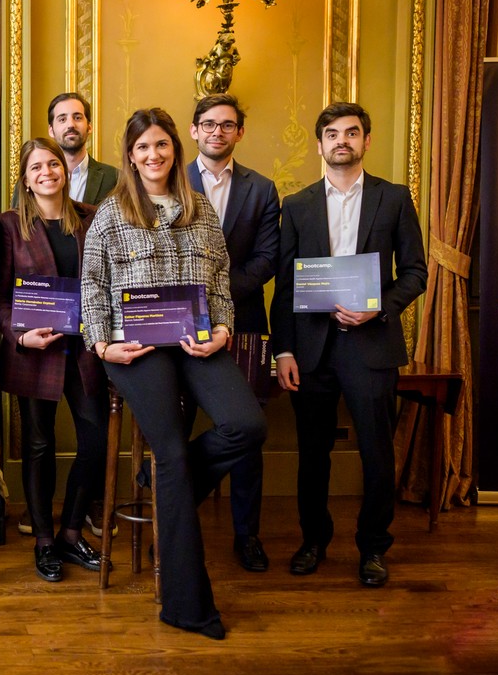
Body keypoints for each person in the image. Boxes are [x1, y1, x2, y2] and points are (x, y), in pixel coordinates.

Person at [81, 107, 266, 640]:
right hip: (136, 348)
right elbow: (92, 284)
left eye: (161, 144)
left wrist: (224, 329)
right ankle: (186, 607)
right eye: (142, 147)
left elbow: (221, 278)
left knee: (247, 425)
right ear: (130, 155)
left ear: (174, 150)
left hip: (197, 343)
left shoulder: (200, 209)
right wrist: (102, 344)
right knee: (173, 455)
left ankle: (162, 482)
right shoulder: (111, 212)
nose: (153, 154)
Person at [272, 101, 427, 588]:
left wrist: (378, 307)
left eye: (352, 132)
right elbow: (285, 284)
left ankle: (373, 547)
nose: (342, 140)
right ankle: (313, 541)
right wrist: (284, 351)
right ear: (320, 144)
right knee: (313, 453)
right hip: (311, 349)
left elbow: (416, 272)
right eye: (333, 133)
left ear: (366, 141)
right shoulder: (296, 205)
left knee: (377, 453)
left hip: (371, 346)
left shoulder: (394, 198)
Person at [0, 138, 107, 582]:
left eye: (53, 164)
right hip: (35, 351)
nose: (46, 172)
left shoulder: (92, 217)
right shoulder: (9, 225)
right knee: (38, 446)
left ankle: (71, 533)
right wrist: (20, 335)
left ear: (65, 169)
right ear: (25, 178)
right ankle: (43, 541)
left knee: (95, 442)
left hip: (85, 349)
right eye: (36, 167)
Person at [185, 93, 280, 572]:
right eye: (208, 123)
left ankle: (248, 536)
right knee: (175, 425)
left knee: (246, 433)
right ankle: (175, 527)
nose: (216, 131)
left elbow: (266, 259)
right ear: (194, 130)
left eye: (226, 124)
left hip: (243, 323)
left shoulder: (261, 189)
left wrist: (216, 294)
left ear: (240, 132)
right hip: (177, 323)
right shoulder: (165, 179)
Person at [11, 92, 119, 208]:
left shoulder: (115, 178)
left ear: (89, 127)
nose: (71, 124)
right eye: (62, 119)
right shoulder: (32, 180)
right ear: (51, 130)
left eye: (77, 118)